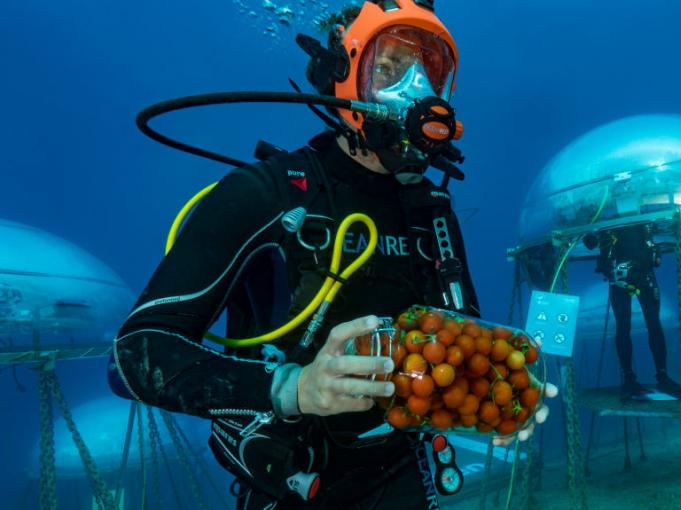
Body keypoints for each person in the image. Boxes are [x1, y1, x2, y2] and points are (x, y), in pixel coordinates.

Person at [109, 1, 551, 508]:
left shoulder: (431, 213)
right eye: (389, 68)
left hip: (404, 473)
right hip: (294, 485)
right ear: (343, 73)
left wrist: (494, 388)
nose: (416, 91)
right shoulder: (266, 195)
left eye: (430, 72)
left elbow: (452, 338)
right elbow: (133, 356)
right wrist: (293, 388)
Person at [583, 222, 681, 400]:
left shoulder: (620, 220)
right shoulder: (609, 219)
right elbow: (590, 241)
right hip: (624, 277)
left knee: (649, 324)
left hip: (640, 275)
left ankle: (658, 376)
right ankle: (634, 378)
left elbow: (591, 240)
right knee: (632, 326)